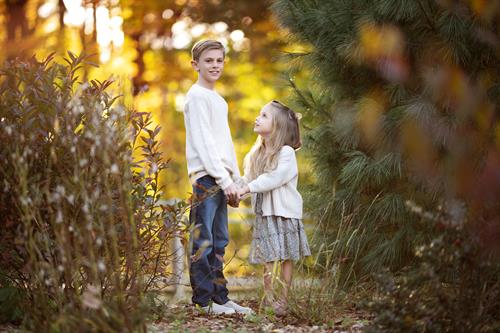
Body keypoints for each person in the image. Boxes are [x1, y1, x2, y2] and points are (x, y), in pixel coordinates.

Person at [183, 40, 253, 315]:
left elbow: (223, 146)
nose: (214, 65)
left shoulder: (218, 99)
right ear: (195, 64)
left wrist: (233, 180)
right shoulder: (196, 96)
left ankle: (220, 298)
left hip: (221, 178)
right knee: (203, 241)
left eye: (219, 60)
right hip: (207, 179)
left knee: (220, 240)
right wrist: (224, 181)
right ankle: (203, 302)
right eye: (209, 60)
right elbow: (204, 144)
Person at [238, 100, 311, 316]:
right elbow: (248, 179)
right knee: (268, 259)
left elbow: (275, 178)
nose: (257, 118)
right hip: (265, 214)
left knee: (286, 256)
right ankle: (268, 298)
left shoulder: (286, 153)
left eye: (263, 115)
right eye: (259, 114)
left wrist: (248, 188)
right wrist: (234, 188)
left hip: (285, 213)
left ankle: (283, 299)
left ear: (277, 125)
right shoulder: (256, 154)